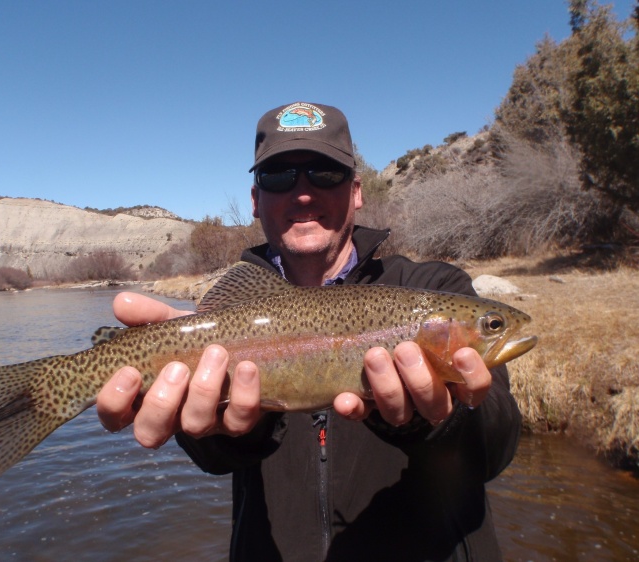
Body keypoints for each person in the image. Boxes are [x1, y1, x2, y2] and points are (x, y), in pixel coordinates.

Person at [96, 102, 521, 561]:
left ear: (357, 191)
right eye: (279, 176)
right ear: (256, 199)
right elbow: (213, 460)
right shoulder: (228, 316)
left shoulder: (436, 287)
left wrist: (439, 419)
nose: (303, 193)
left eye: (325, 173)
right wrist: (229, 431)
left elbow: (496, 444)